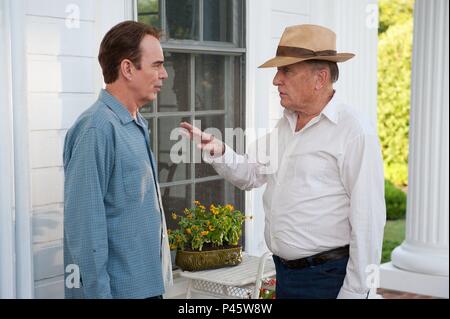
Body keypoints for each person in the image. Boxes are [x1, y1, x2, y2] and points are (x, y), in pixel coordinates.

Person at [180, 24, 386, 299]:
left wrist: (356, 293)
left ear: (320, 78)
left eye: (286, 70)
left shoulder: (354, 131)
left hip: (328, 280)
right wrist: (218, 150)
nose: (277, 80)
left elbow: (368, 221)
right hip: (286, 276)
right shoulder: (285, 125)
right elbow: (251, 174)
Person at [63, 21, 172, 299]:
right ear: (127, 68)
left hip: (147, 286)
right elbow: (85, 232)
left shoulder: (135, 124)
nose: (164, 74)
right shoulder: (96, 130)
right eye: (156, 65)